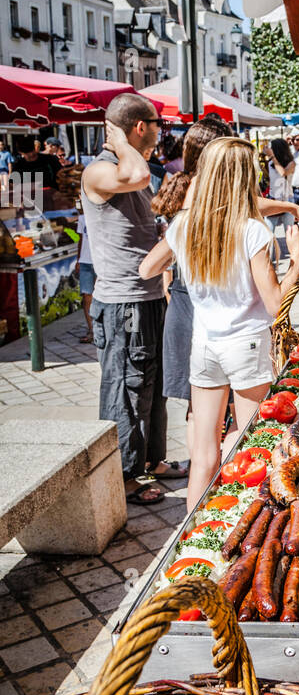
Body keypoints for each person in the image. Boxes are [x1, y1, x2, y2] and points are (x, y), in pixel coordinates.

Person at [140, 139, 299, 508]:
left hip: (205, 343)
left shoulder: (185, 225)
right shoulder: (252, 231)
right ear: (243, 178)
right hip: (247, 345)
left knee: (203, 455)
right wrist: (298, 259)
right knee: (252, 447)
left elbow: (147, 268)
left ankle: (191, 546)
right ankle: (239, 534)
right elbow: (275, 305)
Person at [81, 93, 184, 504]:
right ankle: (123, 477)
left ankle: (151, 461)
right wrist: (120, 140)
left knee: (152, 385)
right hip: (123, 303)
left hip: (146, 296)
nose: (160, 135)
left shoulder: (124, 166)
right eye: (156, 125)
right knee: (125, 389)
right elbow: (139, 175)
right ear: (140, 127)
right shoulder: (100, 171)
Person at [74, 211, 95, 343]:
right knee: (87, 296)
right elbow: (81, 239)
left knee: (102, 296)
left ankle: (104, 328)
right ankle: (91, 329)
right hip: (86, 261)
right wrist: (78, 259)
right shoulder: (82, 218)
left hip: (101, 261)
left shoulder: (103, 212)